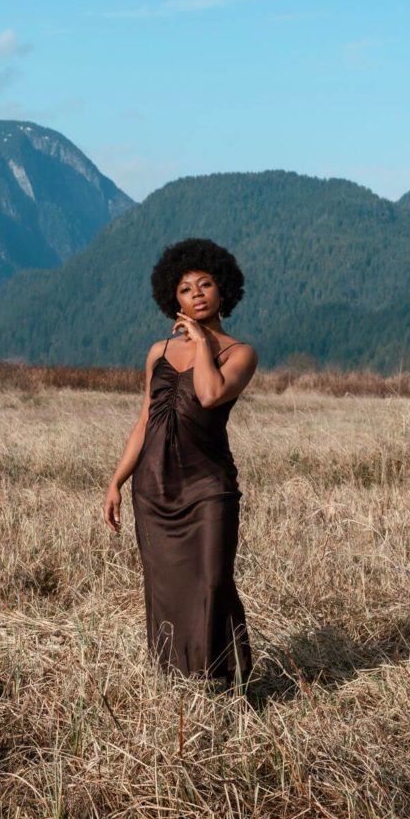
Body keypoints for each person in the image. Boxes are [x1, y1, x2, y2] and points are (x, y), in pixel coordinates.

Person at [103, 237, 258, 690]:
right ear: (173, 297)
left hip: (208, 485)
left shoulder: (240, 353)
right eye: (186, 288)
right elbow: (143, 422)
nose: (197, 294)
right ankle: (179, 683)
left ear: (223, 290)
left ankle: (225, 680)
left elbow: (210, 395)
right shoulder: (158, 353)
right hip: (153, 486)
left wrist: (203, 345)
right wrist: (116, 480)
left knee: (212, 581)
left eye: (205, 284)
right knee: (165, 586)